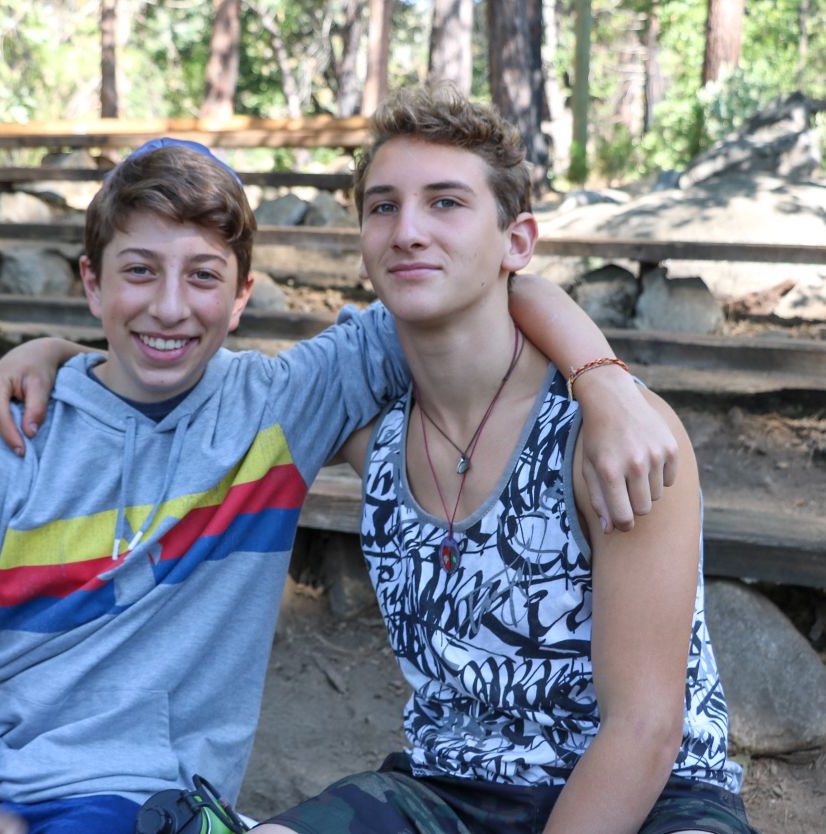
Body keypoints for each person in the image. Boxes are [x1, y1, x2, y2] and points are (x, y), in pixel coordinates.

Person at [0, 134, 670, 834]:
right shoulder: (13, 431)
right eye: (138, 272)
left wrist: (601, 379)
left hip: (132, 791)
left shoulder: (284, 402)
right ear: (90, 284)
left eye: (202, 277)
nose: (168, 307)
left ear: (242, 298)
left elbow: (495, 281)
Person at [241, 87, 754, 833]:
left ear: (516, 242)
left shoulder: (611, 437)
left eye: (446, 202)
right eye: (383, 206)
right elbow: (193, 395)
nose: (407, 230)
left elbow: (645, 730)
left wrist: (599, 379)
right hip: (449, 790)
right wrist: (69, 362)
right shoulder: (376, 444)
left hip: (654, 798)